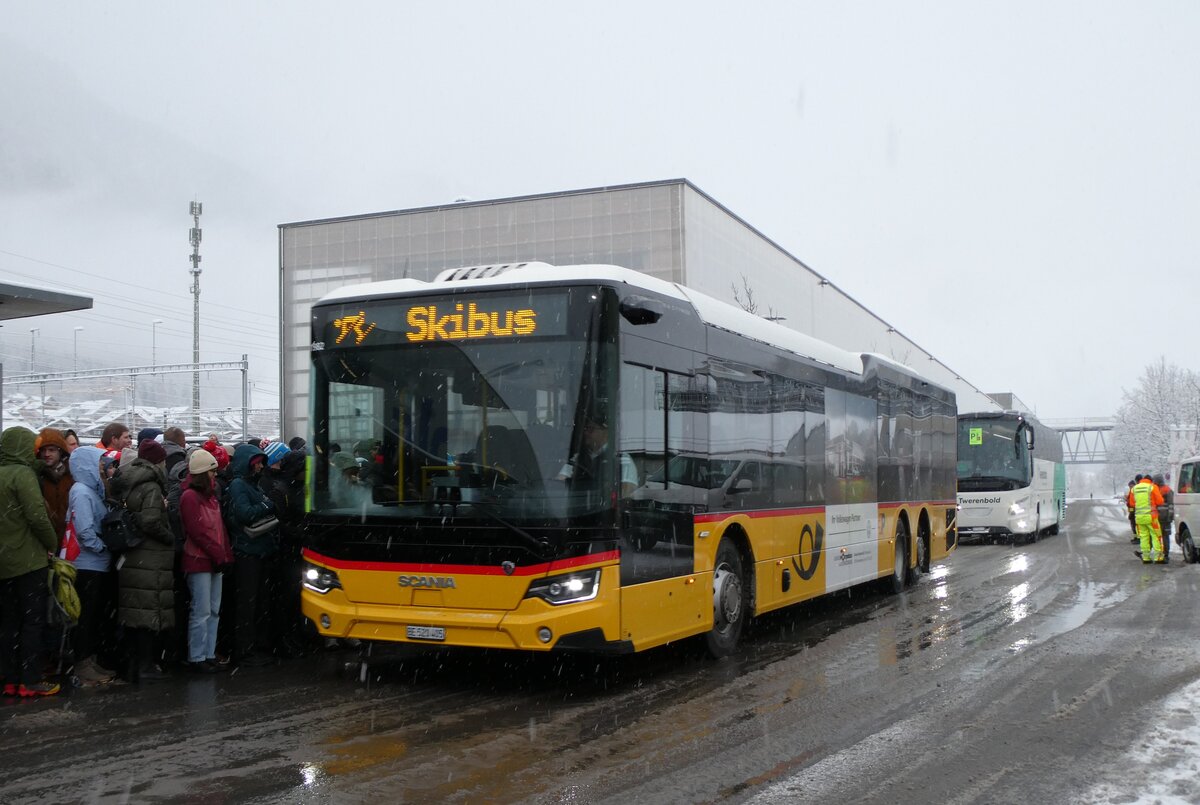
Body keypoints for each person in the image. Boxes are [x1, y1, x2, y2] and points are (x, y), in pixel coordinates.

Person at [0, 427, 62, 697]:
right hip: (27, 560)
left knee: (8, 623)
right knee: (32, 621)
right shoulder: (23, 475)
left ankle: (10, 678)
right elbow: (37, 517)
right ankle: (30, 679)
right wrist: (52, 544)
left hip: (4, 562)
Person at [111, 439, 175, 682]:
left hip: (133, 556)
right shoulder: (151, 487)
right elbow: (150, 521)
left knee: (135, 615)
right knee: (149, 615)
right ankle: (146, 667)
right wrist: (168, 537)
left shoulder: (128, 481)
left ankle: (132, 666)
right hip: (150, 557)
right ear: (157, 462)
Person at [66, 445, 118, 685]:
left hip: (97, 564)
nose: (102, 467)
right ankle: (82, 663)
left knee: (93, 616)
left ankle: (89, 659)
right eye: (98, 462)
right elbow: (85, 530)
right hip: (88, 564)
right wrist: (102, 547)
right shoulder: (82, 492)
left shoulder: (91, 490)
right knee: (86, 618)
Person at [225, 443, 280, 667]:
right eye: (256, 463)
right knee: (248, 604)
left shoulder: (250, 485)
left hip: (257, 550)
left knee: (257, 602)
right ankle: (245, 650)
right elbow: (245, 514)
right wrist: (267, 507)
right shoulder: (240, 485)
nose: (259, 467)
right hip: (248, 551)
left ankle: (254, 646)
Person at [180, 448, 233, 673]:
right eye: (212, 471)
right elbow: (197, 531)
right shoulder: (190, 497)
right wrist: (220, 554)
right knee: (201, 610)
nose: (215, 475)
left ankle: (208, 653)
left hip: (212, 559)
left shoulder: (208, 496)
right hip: (200, 560)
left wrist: (224, 555)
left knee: (212, 609)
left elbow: (218, 530)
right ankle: (197, 656)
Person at [556, 415, 638, 498]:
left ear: (606, 432)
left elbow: (625, 493)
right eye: (585, 429)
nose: (586, 433)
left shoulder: (622, 460)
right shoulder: (578, 458)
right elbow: (559, 485)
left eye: (590, 429)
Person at [35, 428, 74, 543]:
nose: (47, 454)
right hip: (45, 539)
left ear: (60, 451)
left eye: (51, 450)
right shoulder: (36, 476)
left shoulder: (71, 475)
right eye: (43, 450)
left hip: (69, 539)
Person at [1131, 472, 1166, 564]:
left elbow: (1132, 503)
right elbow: (1160, 501)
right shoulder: (1152, 487)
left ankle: (1146, 557)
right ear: (1151, 480)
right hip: (1151, 517)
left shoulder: (1134, 488)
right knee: (1156, 536)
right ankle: (1158, 557)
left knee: (1144, 537)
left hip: (1139, 517)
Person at [1154, 473, 1175, 561]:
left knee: (1158, 536)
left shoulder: (1154, 490)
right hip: (1165, 518)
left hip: (1157, 517)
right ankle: (1165, 554)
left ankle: (1160, 554)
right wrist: (1170, 516)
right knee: (1165, 536)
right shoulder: (1168, 490)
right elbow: (1171, 504)